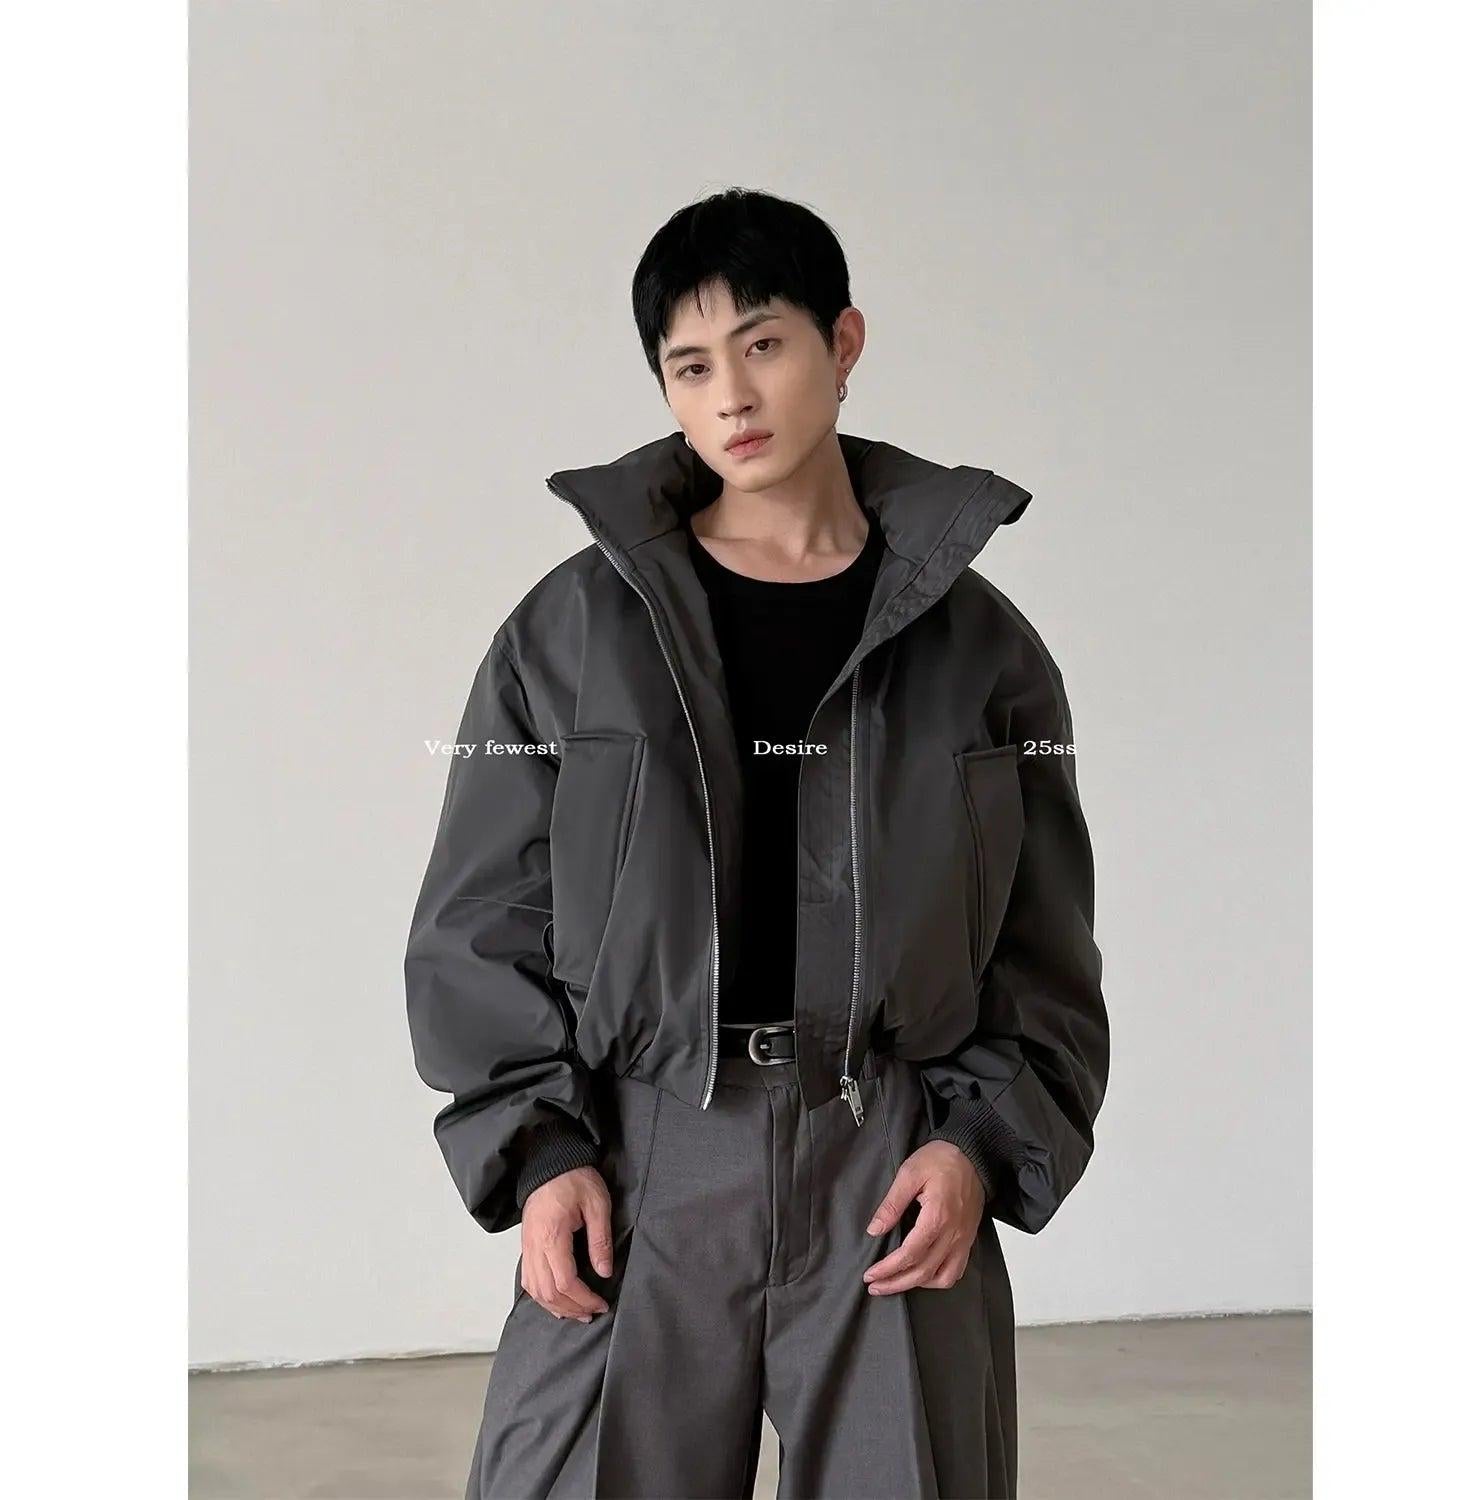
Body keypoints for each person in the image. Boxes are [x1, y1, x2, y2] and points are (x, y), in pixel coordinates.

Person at [404, 187, 1110, 1499]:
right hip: (642, 1152)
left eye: (765, 344)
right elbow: (482, 916)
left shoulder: (982, 650)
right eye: (690, 366)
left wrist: (976, 1143)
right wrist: (540, 1149)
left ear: (844, 344)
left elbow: (1043, 945)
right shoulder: (570, 634)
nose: (731, 394)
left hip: (889, 1150)